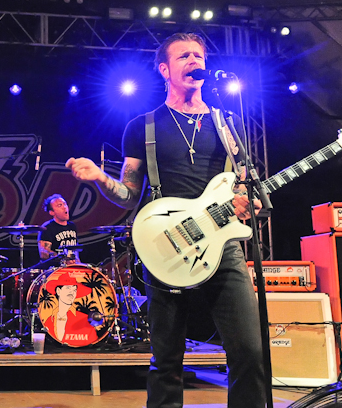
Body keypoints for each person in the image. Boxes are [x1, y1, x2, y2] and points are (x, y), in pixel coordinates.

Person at [66, 32, 265, 407]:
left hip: (224, 248)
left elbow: (243, 186)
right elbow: (127, 194)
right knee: (168, 359)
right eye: (184, 57)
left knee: (250, 352)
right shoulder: (143, 126)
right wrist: (99, 178)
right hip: (169, 245)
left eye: (198, 55)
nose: (194, 61)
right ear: (164, 69)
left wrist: (248, 204)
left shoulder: (228, 123)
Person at [37, 194, 80, 263]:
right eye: (60, 205)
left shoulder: (72, 226)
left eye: (65, 204)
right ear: (52, 212)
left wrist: (78, 263)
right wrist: (63, 259)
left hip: (71, 267)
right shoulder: (47, 227)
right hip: (55, 268)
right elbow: (44, 253)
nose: (64, 207)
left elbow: (75, 250)